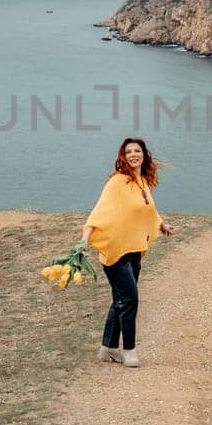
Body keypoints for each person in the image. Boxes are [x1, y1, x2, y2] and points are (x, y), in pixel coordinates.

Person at [80, 137, 175, 368]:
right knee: (130, 299)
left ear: (144, 155)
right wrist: (84, 240)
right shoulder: (118, 182)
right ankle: (129, 351)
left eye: (137, 150)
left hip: (134, 250)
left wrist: (161, 225)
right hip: (117, 251)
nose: (133, 154)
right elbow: (99, 212)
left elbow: (147, 209)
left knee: (120, 300)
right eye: (129, 151)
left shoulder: (142, 182)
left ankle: (108, 348)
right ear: (123, 156)